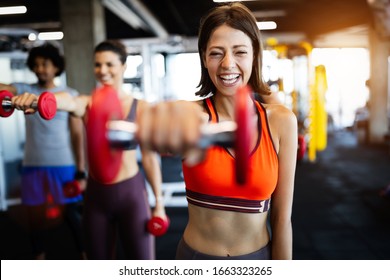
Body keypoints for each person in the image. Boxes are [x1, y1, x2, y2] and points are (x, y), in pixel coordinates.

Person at [136, 2, 298, 260]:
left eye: (240, 52)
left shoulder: (281, 122)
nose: (228, 64)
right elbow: (161, 123)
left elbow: (281, 218)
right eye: (216, 53)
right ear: (203, 57)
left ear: (255, 54)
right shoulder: (192, 115)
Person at [12, 40, 166, 259]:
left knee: (142, 264)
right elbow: (67, 101)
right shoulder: (87, 102)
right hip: (96, 197)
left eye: (109, 64)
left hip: (131, 195)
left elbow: (150, 159)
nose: (102, 71)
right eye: (97, 65)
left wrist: (158, 203)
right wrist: (40, 100)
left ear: (123, 66)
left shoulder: (140, 108)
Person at [0, 43, 87, 260]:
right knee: (35, 218)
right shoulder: (24, 90)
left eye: (45, 64)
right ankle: (39, 259)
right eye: (37, 64)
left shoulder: (69, 95)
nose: (41, 69)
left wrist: (81, 170)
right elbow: (5, 88)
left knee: (72, 216)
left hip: (63, 164)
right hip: (32, 164)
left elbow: (77, 135)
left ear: (56, 67)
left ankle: (86, 257)